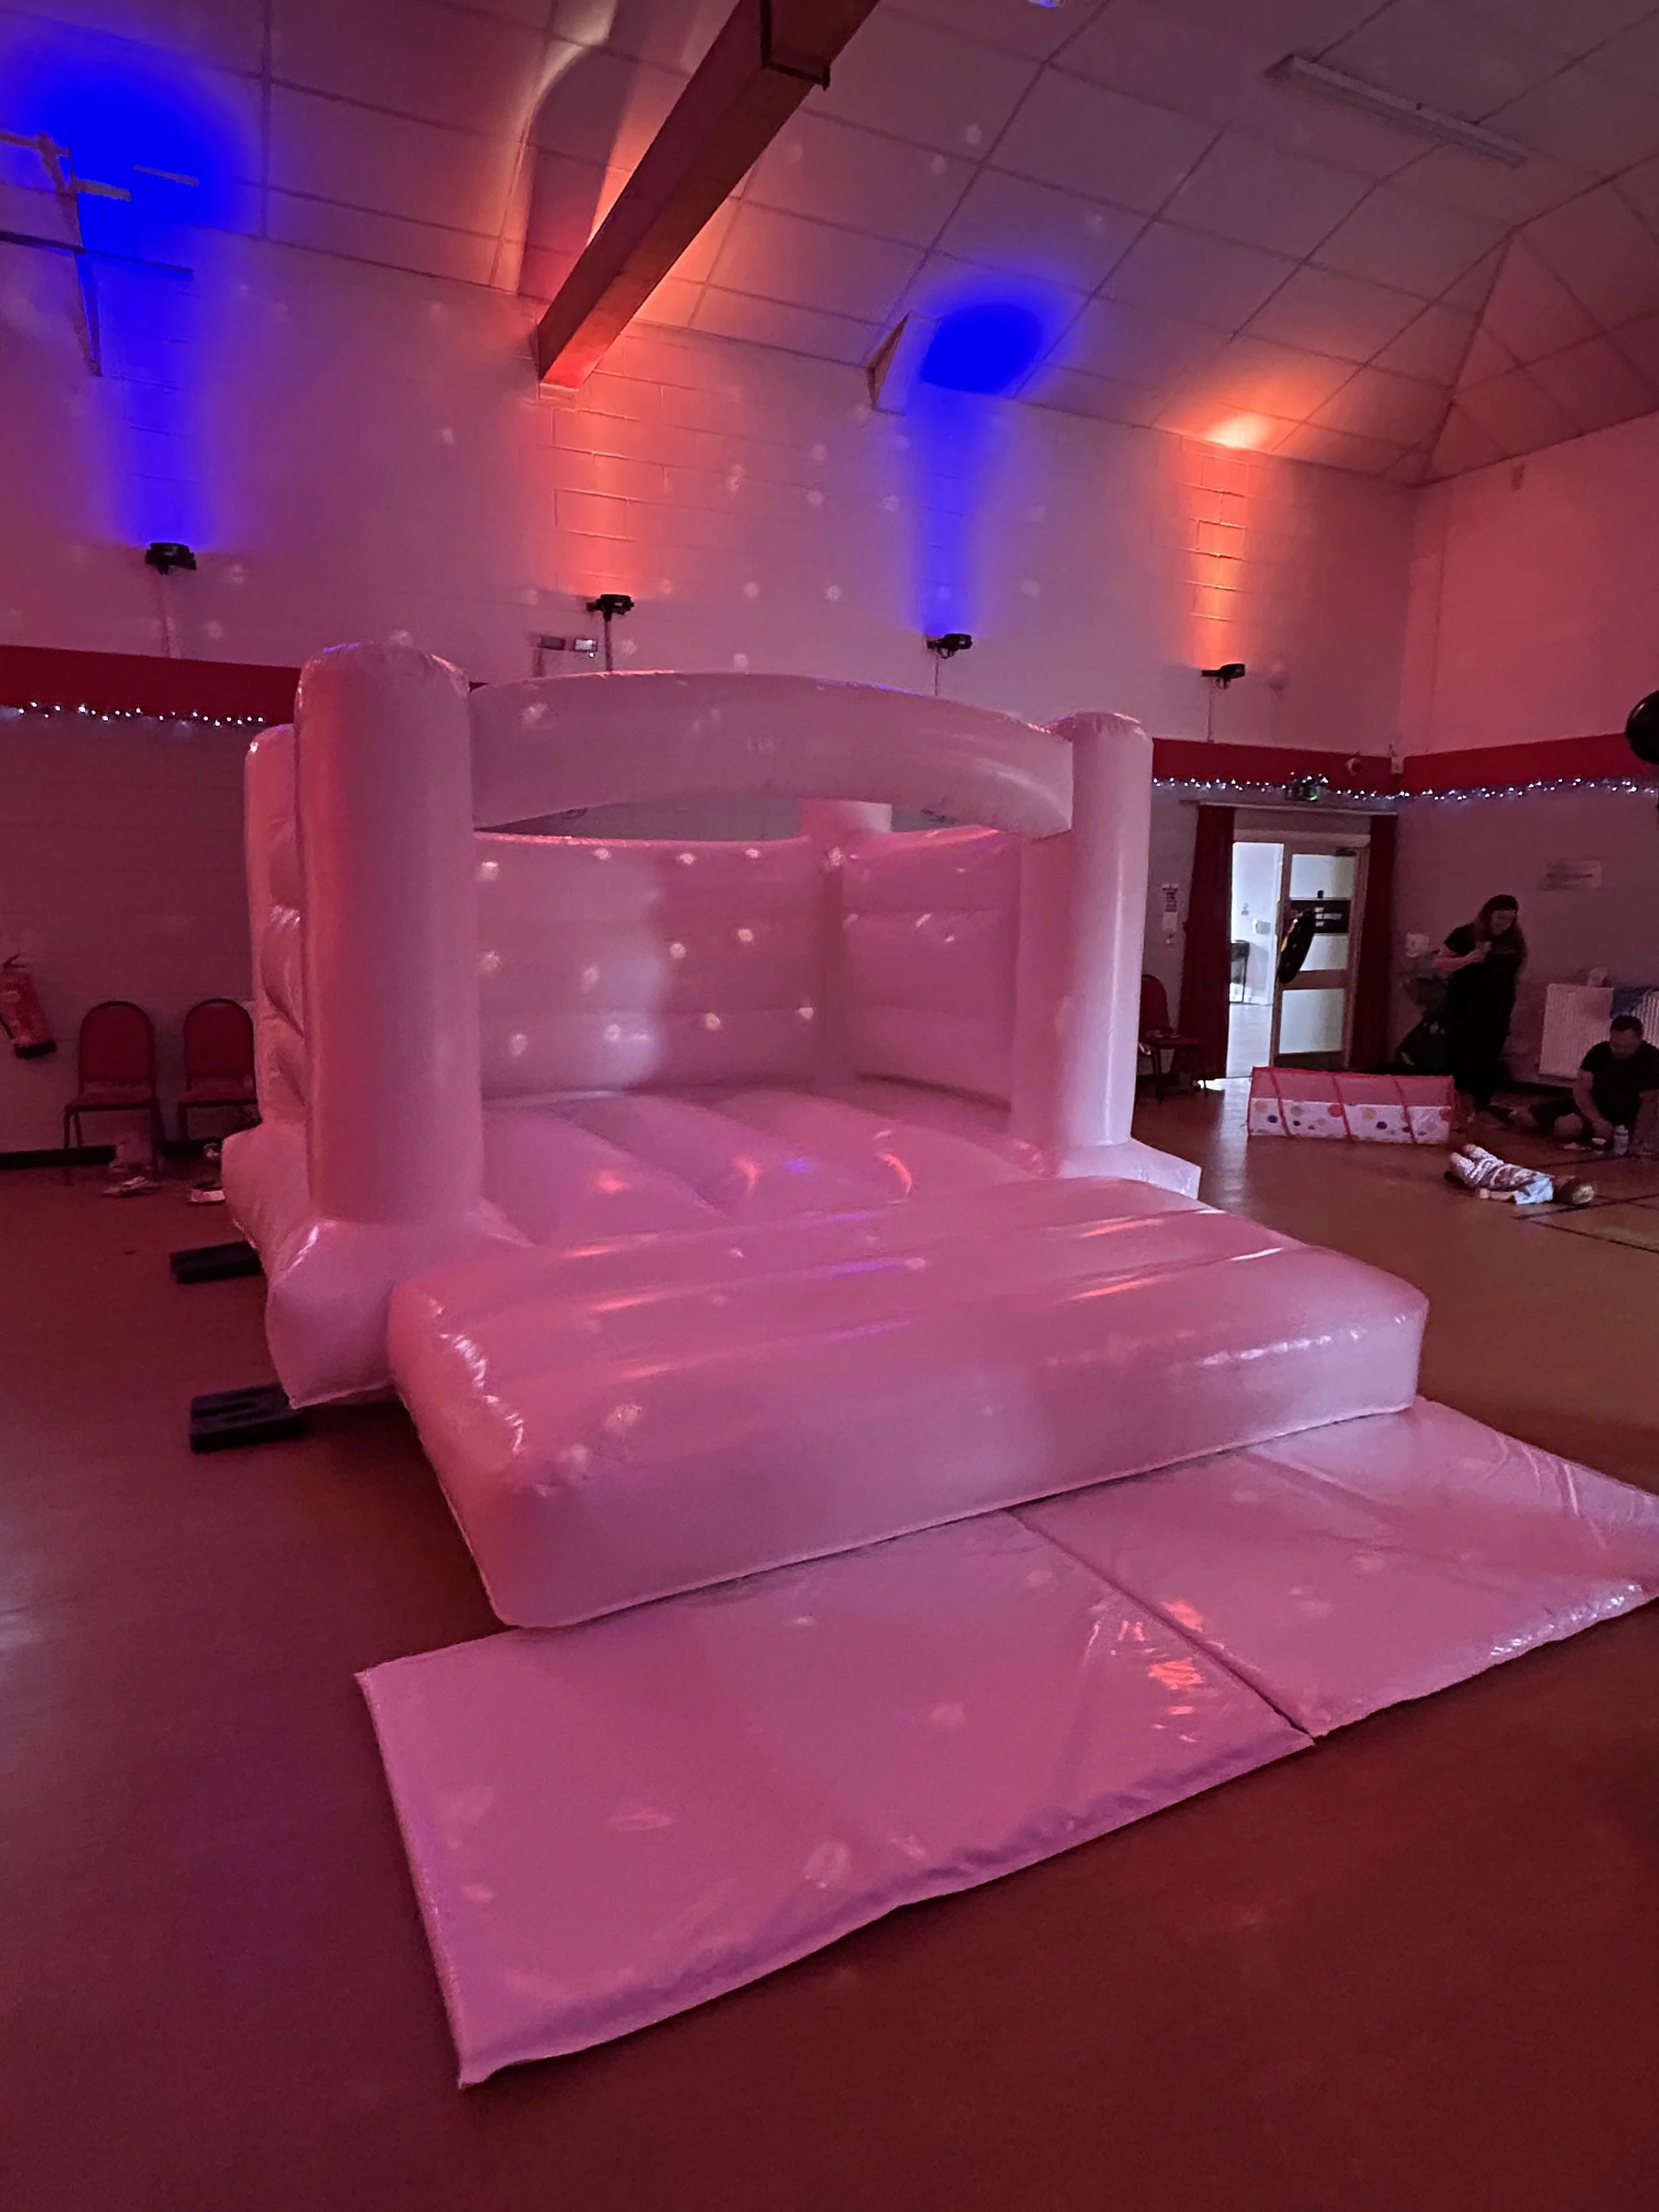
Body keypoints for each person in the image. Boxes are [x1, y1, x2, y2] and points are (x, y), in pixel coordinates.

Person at [1433, 894, 1526, 1124]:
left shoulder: (1514, 939)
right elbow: (1440, 964)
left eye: (1509, 920)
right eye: (1500, 918)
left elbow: (1518, 965)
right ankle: (1454, 1104)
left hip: (1498, 1007)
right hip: (1466, 1006)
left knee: (1489, 1057)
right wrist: (1468, 960)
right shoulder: (1464, 934)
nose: (1503, 924)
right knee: (1461, 1054)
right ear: (1489, 914)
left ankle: (1482, 1106)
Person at [1517, 1015, 1659, 1154]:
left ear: (1639, 1040)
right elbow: (1581, 1089)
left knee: (1565, 1127)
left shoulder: (1652, 1059)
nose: (1619, 1051)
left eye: (1626, 1046)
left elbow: (1649, 1105)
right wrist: (1595, 1119)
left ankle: (1561, 1129)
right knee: (1525, 1119)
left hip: (1617, 1117)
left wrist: (1638, 1140)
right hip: (1590, 1105)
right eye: (1615, 1045)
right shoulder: (1599, 1051)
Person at [1445, 1143, 1594, 1208]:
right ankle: (1460, 1175)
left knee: (1454, 1158)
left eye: (1567, 1178)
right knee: (1469, 1148)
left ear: (1563, 1186)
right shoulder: (1551, 1179)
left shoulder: (1543, 1192)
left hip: (1484, 1177)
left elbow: (1515, 1196)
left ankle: (1461, 1178)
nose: (1565, 1175)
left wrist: (1490, 1195)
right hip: (1497, 1165)